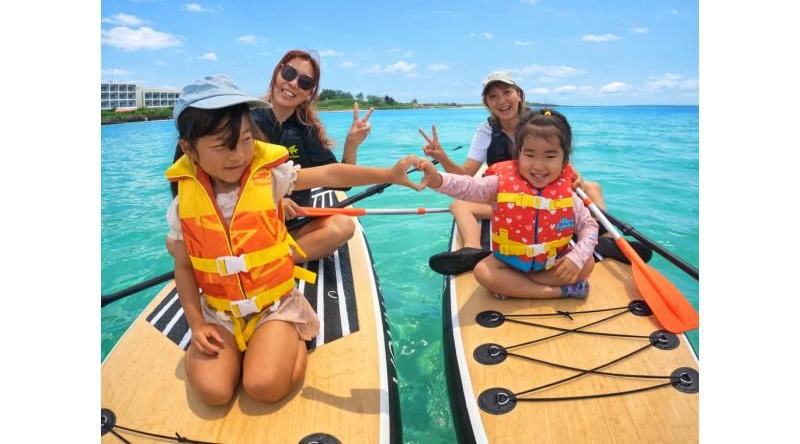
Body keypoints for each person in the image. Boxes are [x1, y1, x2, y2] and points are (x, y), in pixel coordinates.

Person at [165, 75, 421, 406]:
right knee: (213, 392)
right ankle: (255, 352)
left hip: (273, 305)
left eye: (245, 140)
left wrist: (387, 175)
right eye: (221, 145)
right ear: (189, 149)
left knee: (263, 387)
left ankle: (293, 337)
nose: (238, 155)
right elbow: (184, 267)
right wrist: (197, 324)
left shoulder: (270, 175)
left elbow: (330, 175)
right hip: (219, 312)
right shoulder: (184, 203)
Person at [419, 70, 609, 275]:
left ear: (518, 94)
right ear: (486, 102)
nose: (501, 100)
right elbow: (466, 173)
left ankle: (605, 240)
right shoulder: (486, 131)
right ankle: (472, 250)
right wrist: (442, 158)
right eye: (493, 96)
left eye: (506, 92)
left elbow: (562, 165)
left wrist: (575, 176)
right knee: (458, 204)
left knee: (592, 187)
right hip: (505, 198)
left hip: (544, 194)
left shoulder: (541, 123)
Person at [415, 109, 598, 299]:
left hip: (551, 263)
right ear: (517, 155)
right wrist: (437, 179)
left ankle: (515, 287)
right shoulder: (499, 184)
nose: (539, 165)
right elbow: (468, 187)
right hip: (511, 264)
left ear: (564, 160)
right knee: (482, 272)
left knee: (587, 263)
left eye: (550, 156)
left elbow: (589, 226)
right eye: (530, 155)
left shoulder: (568, 195)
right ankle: (557, 292)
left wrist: (575, 257)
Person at [251, 49, 375, 262]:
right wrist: (273, 201)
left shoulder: (304, 130)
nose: (293, 83)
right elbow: (226, 183)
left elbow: (341, 183)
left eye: (305, 82)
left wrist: (351, 144)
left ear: (309, 93)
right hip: (249, 226)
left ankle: (270, 262)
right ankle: (266, 259)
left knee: (343, 225)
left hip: (289, 227)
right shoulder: (244, 122)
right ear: (277, 73)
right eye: (289, 73)